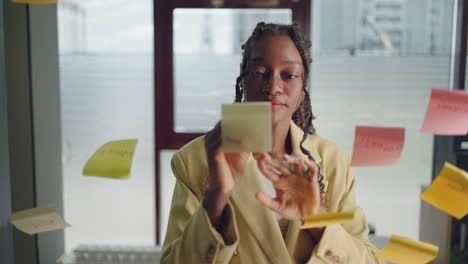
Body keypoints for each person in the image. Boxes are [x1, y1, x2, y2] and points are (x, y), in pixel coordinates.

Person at [161, 22, 385, 263]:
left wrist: (315, 216)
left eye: (288, 75)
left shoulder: (334, 162)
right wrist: (216, 197)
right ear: (243, 77)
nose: (273, 87)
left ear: (304, 85)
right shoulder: (195, 160)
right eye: (259, 72)